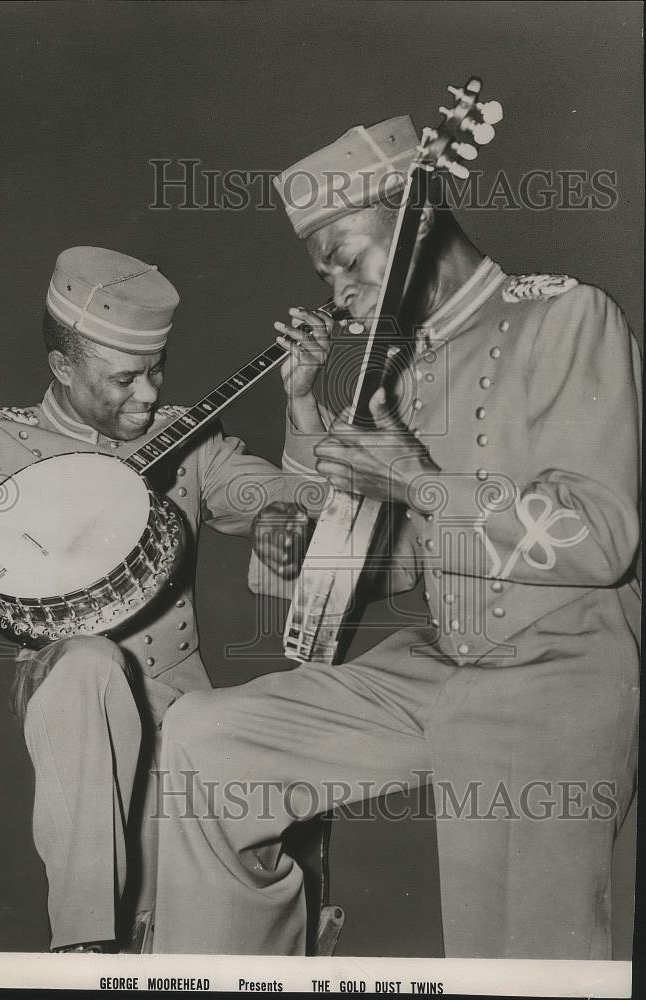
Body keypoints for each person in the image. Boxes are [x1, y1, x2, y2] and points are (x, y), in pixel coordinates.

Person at [151, 117, 641, 958]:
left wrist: (411, 478)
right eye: (324, 270)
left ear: (414, 217)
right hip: (439, 665)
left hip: (556, 674)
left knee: (516, 958)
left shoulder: (567, 317)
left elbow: (598, 538)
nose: (335, 289)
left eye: (344, 256)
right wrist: (302, 540)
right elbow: (411, 557)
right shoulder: (401, 370)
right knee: (207, 741)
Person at [0, 246, 287, 953]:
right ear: (64, 367)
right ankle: (80, 955)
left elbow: (286, 502)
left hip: (188, 711)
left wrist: (300, 433)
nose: (149, 394)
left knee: (214, 912)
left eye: (156, 370)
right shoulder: (4, 443)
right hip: (71, 689)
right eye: (124, 377)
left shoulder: (186, 438)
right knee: (90, 666)